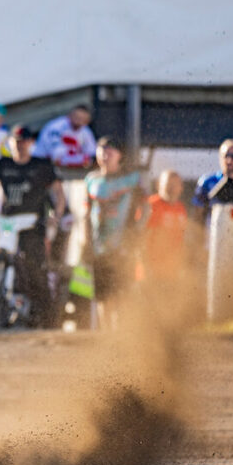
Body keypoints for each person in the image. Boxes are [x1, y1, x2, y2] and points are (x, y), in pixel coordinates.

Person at [0, 125, 65, 326]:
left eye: (24, 141)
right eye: (16, 141)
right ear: (10, 142)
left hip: (33, 224)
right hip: (7, 222)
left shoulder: (42, 165)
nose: (20, 145)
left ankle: (46, 321)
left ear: (31, 143)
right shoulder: (2, 164)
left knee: (36, 269)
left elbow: (58, 192)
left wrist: (57, 214)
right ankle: (0, 306)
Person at [83, 136, 144, 330]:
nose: (105, 154)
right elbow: (86, 212)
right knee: (102, 294)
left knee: (122, 292)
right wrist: (85, 241)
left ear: (120, 155)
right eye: (102, 150)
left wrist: (137, 232)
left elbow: (146, 206)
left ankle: (122, 335)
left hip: (123, 245)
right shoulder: (91, 179)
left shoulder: (132, 178)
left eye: (110, 150)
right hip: (99, 245)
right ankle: (105, 335)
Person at [137, 169, 188, 282]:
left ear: (181, 187)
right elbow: (140, 238)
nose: (172, 188)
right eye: (169, 184)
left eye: (175, 184)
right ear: (159, 185)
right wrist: (145, 265)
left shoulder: (181, 208)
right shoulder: (151, 205)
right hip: (152, 269)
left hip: (173, 269)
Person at [193, 139, 233, 222]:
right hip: (213, 229)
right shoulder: (207, 182)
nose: (229, 160)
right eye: (225, 155)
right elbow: (197, 213)